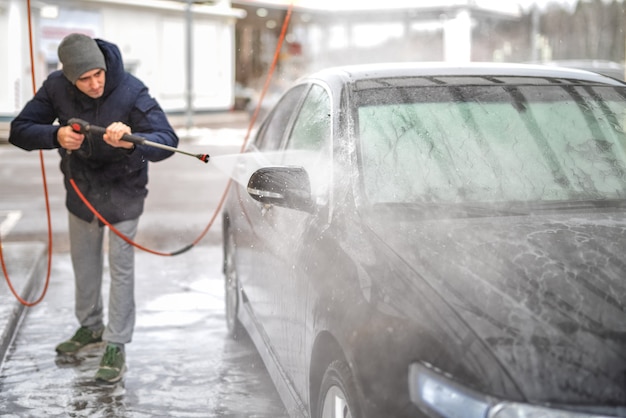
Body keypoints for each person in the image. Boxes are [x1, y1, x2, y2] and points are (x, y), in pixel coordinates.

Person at [9, 33, 179, 383]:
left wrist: (132, 141)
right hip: (81, 190)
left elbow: (168, 141)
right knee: (84, 263)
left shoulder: (132, 90)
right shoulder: (55, 87)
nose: (94, 84)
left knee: (121, 268)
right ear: (70, 78)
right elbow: (19, 130)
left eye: (97, 75)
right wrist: (54, 135)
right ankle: (90, 327)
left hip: (124, 191)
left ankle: (115, 344)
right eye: (84, 79)